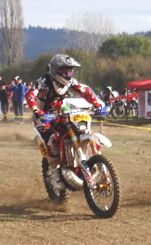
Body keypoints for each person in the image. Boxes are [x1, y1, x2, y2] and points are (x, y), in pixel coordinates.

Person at [25, 54, 101, 189]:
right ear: (55, 70)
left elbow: (85, 91)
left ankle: (96, 162)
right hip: (42, 117)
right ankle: (54, 173)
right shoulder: (44, 81)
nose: (68, 73)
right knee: (52, 141)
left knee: (83, 129)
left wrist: (97, 104)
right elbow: (30, 94)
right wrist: (36, 110)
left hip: (60, 113)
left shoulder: (70, 82)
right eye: (64, 70)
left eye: (70, 70)